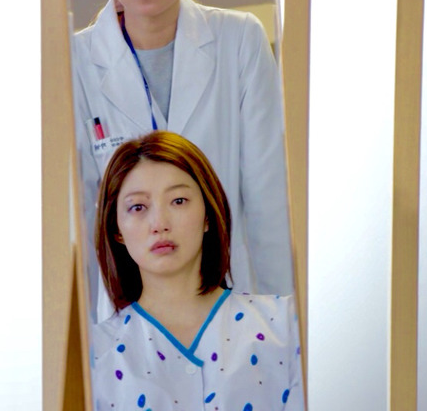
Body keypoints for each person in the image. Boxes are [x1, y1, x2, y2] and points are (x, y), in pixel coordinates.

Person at [73, 0, 292, 320]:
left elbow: (268, 198)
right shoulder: (74, 61)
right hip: (127, 316)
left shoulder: (239, 41)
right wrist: (94, 338)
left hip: (232, 303)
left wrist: (282, 322)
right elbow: (83, 215)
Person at [90, 131, 303, 410]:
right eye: (138, 207)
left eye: (178, 201)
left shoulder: (287, 325)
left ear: (207, 216)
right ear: (116, 229)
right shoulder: (94, 356)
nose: (159, 223)